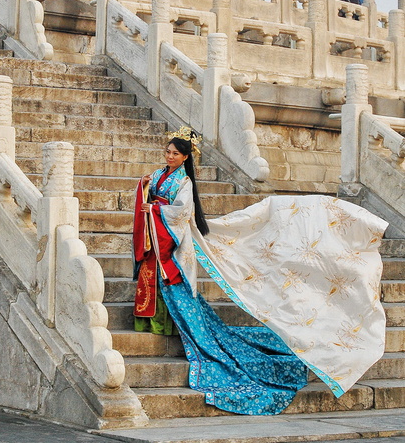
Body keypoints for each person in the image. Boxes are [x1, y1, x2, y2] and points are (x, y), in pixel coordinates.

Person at [132, 126, 387, 415]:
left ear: (186, 157)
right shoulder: (161, 174)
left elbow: (181, 212)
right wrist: (144, 187)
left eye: (175, 153)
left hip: (170, 242)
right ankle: (154, 323)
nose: (169, 156)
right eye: (167, 152)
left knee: (175, 290)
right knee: (153, 283)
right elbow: (151, 192)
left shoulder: (184, 183)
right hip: (157, 240)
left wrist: (154, 210)